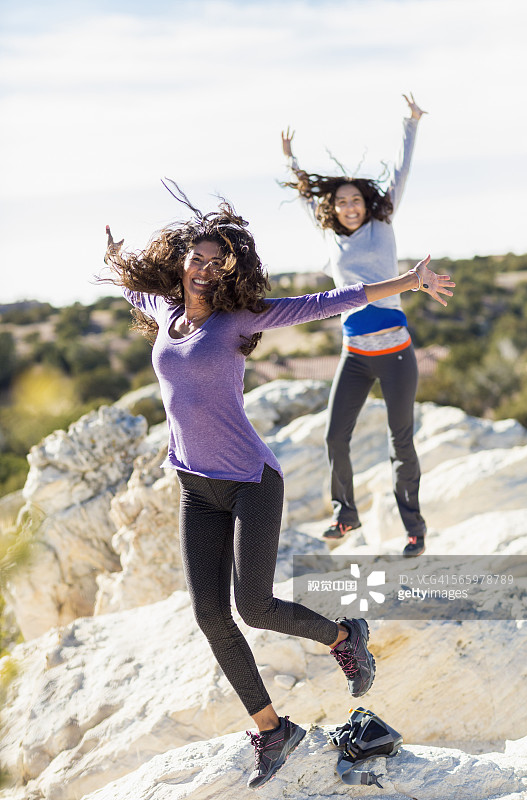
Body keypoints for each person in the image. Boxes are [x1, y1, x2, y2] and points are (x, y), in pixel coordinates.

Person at [103, 184, 453, 789]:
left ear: (230, 270)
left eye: (219, 263)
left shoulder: (244, 317)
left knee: (254, 606)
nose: (207, 271)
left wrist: (406, 282)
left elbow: (331, 299)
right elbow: (136, 290)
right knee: (212, 615)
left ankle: (346, 636)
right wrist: (117, 261)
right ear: (182, 262)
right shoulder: (167, 311)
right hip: (195, 485)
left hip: (251, 481)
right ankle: (273, 729)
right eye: (198, 260)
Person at [281, 93, 431, 557]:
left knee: (400, 442)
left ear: (367, 203)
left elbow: (402, 174)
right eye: (342, 202)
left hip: (397, 354)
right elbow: (308, 198)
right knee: (334, 436)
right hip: (355, 354)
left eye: (355, 200)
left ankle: (414, 530)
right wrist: (291, 162)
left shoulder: (382, 226)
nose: (349, 206)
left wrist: (411, 124)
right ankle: (345, 514)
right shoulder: (329, 236)